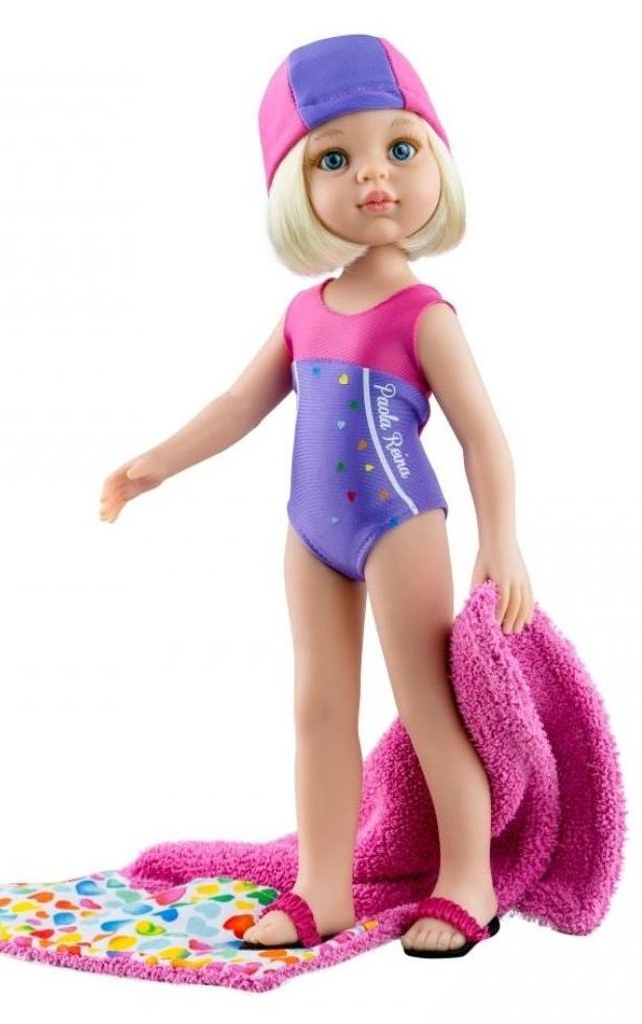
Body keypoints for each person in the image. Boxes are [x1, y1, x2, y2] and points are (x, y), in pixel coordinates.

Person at [99, 33, 534, 957]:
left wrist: (501, 540)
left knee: (427, 707)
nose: (373, 175)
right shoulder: (303, 313)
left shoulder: (422, 314)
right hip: (310, 531)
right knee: (317, 709)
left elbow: (482, 436)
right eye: (334, 159)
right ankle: (321, 887)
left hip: (399, 523)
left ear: (436, 161)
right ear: (294, 189)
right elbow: (238, 404)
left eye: (399, 148)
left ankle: (469, 879)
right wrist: (154, 464)